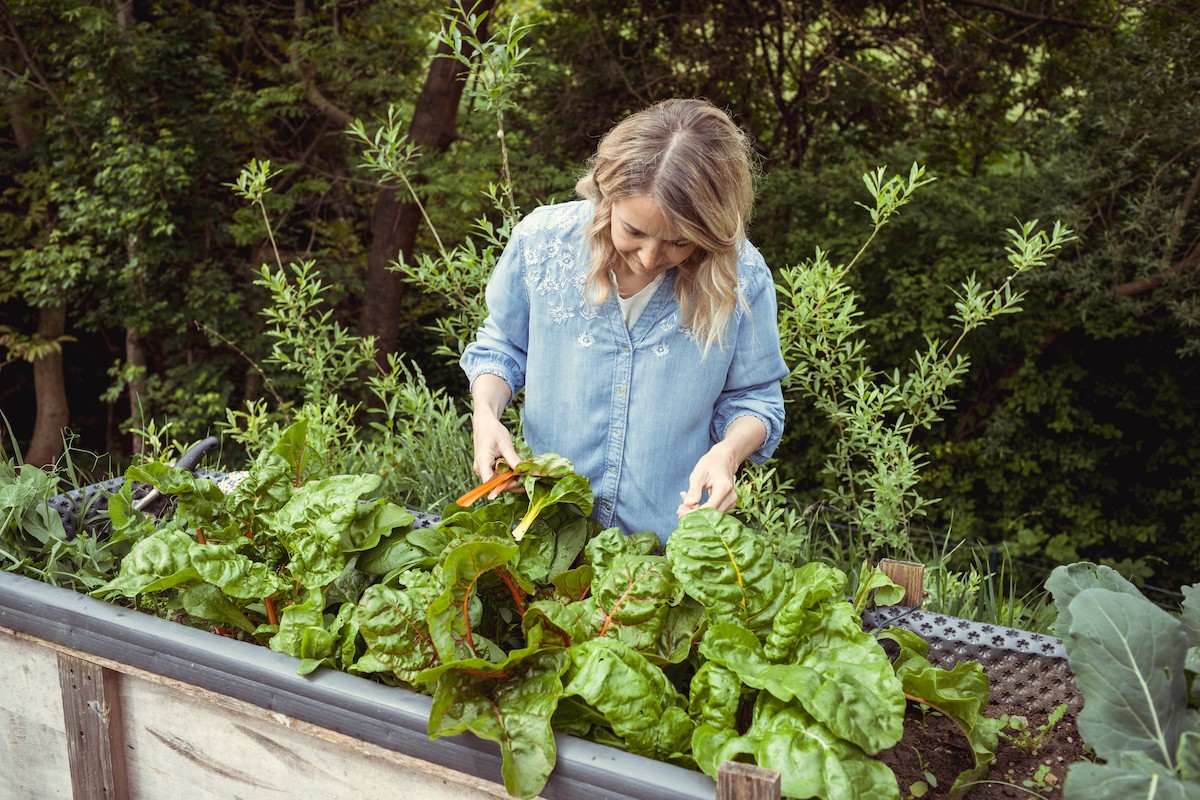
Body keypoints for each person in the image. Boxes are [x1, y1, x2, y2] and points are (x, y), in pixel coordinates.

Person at [460, 97, 787, 546]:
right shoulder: (541, 242)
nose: (651, 257)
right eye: (633, 231)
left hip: (665, 554)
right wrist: (486, 414)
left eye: (678, 241)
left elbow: (756, 400)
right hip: (547, 539)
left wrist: (728, 455)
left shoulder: (741, 278)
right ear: (605, 193)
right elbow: (502, 348)